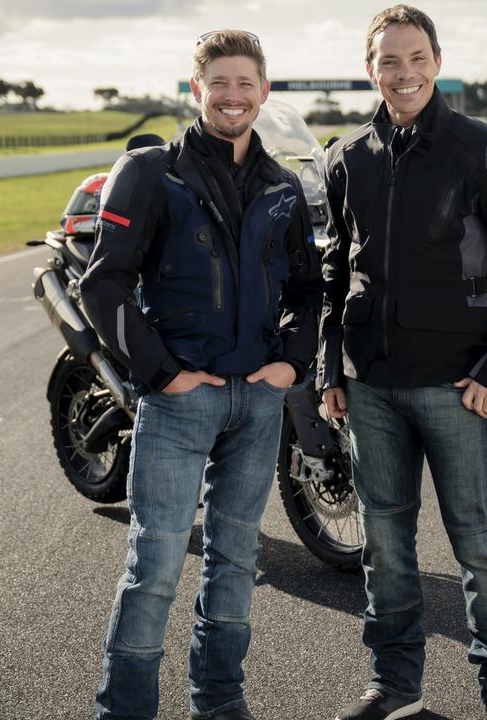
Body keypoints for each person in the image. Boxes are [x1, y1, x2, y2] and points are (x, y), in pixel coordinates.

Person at [318, 6, 487, 720]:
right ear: (370, 69)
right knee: (385, 549)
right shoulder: (344, 156)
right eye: (389, 61)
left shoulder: (483, 150)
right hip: (369, 387)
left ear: (437, 60)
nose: (404, 72)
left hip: (460, 387)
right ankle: (395, 686)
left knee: (480, 549)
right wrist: (328, 367)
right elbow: (334, 271)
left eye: (417, 57)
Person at [79, 29, 321, 720]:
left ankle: (219, 703)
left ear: (264, 91)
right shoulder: (152, 171)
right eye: (220, 82)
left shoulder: (281, 184)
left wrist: (291, 364)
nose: (233, 95)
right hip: (180, 403)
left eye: (246, 83)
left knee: (236, 563)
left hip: (259, 402)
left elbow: (308, 288)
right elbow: (105, 284)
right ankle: (124, 712)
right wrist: (163, 375)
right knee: (153, 570)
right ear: (197, 90)